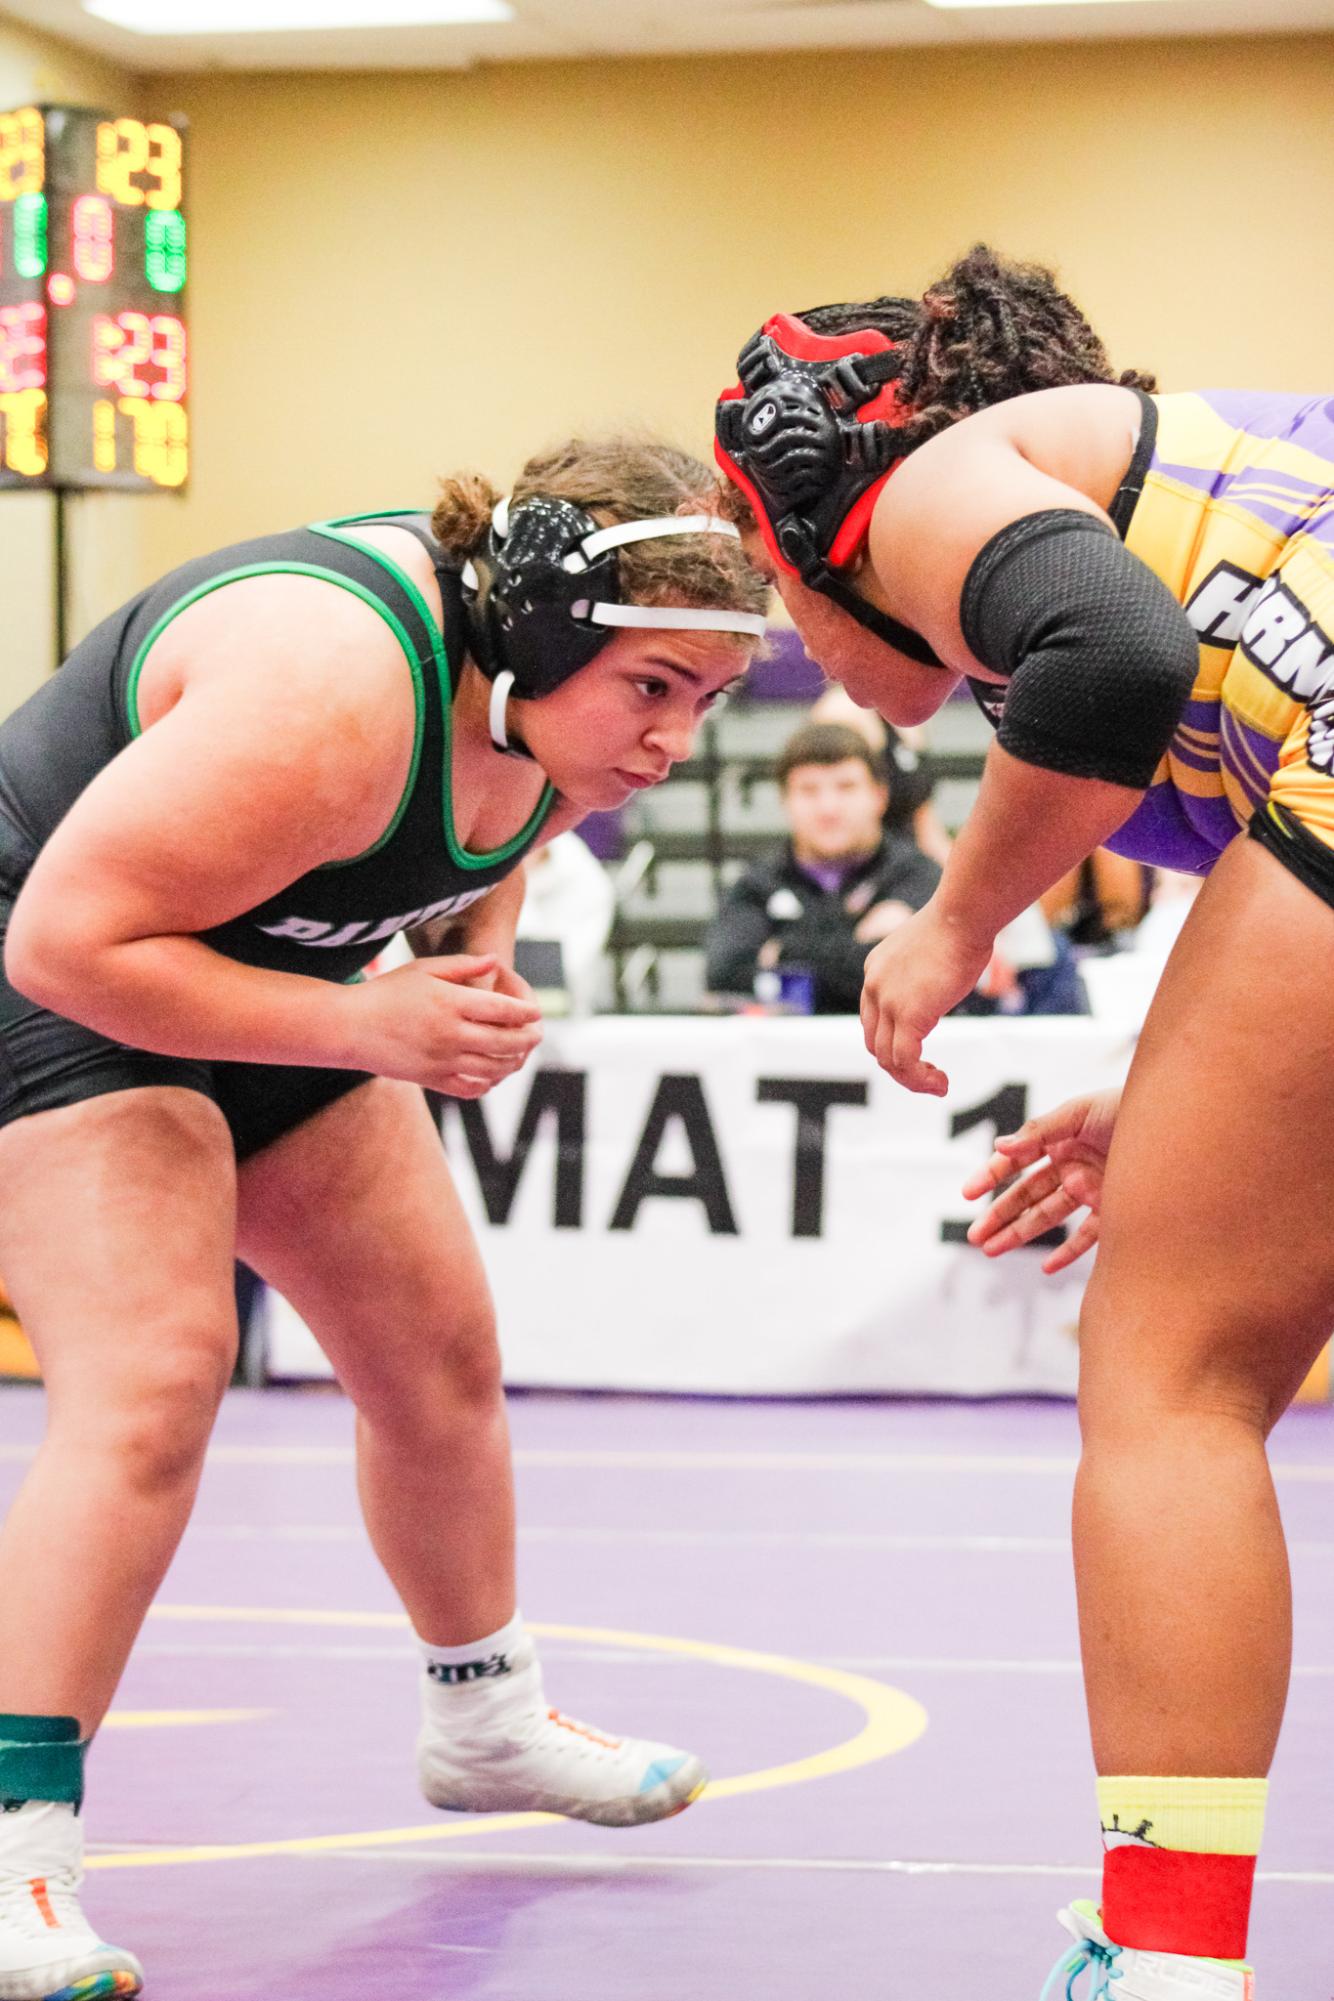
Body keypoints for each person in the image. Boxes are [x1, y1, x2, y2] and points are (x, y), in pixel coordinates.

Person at [0, 438, 768, 1999]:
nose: (676, 742)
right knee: (151, 1383)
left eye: (707, 701)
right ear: (543, 635)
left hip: (260, 950)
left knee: (433, 1352)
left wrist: (464, 959)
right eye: (655, 691)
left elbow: (497, 834)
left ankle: (484, 1721)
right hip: (51, 955)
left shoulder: (551, 707)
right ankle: (16, 1838)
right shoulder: (329, 694)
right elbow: (66, 945)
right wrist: (371, 1025)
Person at [714, 244, 1334, 1996]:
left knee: (1170, 1380)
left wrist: (953, 916)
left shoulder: (910, 483)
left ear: (796, 517)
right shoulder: (1145, 489)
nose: (797, 649)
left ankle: (1158, 1962)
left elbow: (1108, 657)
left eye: (772, 586)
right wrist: (1166, 1090)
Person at [704, 720, 940, 1011]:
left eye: (846, 787)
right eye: (809, 790)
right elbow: (723, 973)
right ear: (784, 800)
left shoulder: (919, 875)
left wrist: (782, 952)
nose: (828, 808)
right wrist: (860, 952)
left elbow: (920, 974)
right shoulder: (757, 883)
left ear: (880, 796)